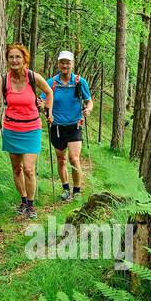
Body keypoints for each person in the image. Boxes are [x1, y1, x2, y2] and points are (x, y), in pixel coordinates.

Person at [0, 44, 53, 219]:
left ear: (24, 59)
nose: (14, 60)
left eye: (18, 57)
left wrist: (47, 108)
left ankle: (31, 205)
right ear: (7, 60)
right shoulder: (3, 80)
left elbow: (49, 92)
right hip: (11, 129)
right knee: (17, 168)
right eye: (11, 57)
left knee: (29, 169)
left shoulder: (33, 77)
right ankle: (23, 201)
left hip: (31, 129)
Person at [47, 50, 92, 202]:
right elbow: (44, 101)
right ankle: (66, 189)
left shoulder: (79, 81)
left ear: (72, 64)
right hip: (57, 127)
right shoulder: (51, 83)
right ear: (58, 64)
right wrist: (45, 109)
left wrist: (88, 109)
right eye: (62, 62)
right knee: (61, 160)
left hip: (74, 125)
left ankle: (77, 191)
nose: (65, 65)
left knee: (74, 158)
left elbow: (89, 100)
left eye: (68, 62)